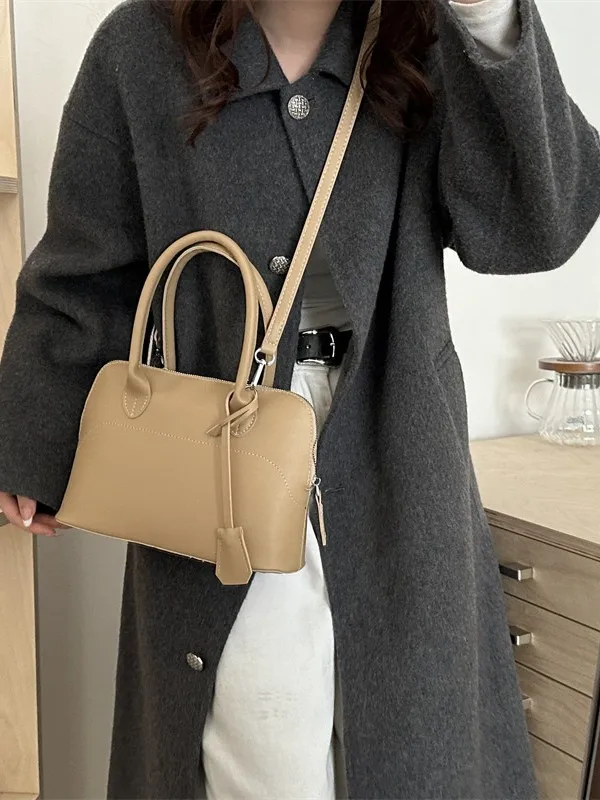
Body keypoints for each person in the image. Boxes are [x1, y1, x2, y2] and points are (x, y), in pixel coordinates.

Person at [0, 0, 599, 796]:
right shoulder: (139, 48)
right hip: (219, 521)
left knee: (420, 762)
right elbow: (84, 270)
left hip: (401, 521)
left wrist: (488, 15)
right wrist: (33, 439)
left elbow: (538, 226)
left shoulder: (427, 40)